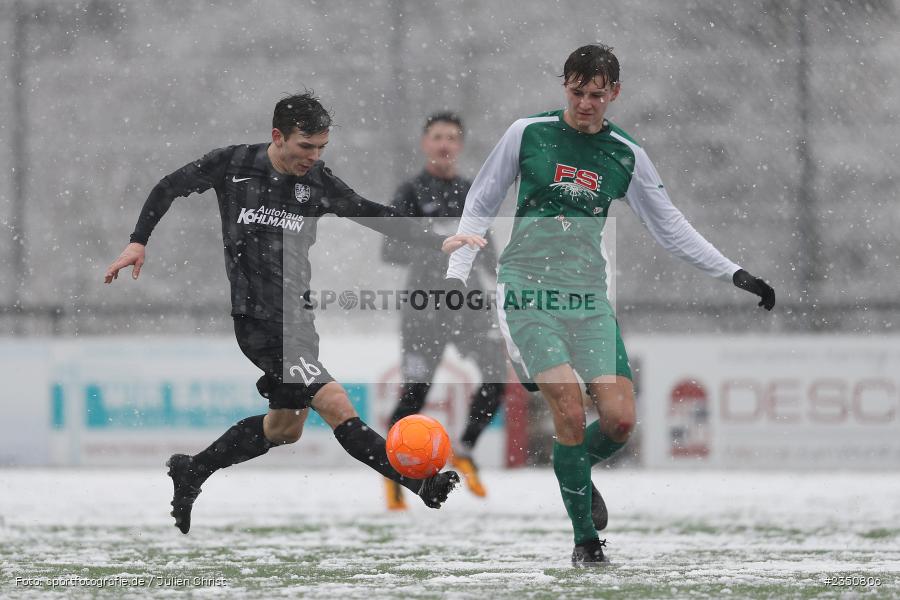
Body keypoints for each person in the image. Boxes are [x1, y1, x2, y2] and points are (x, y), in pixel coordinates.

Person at [443, 45, 775, 566]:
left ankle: (575, 471)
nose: (585, 104)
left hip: (587, 298)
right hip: (527, 292)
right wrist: (458, 273)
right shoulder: (527, 132)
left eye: (597, 94)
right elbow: (481, 200)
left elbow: (671, 227)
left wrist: (734, 272)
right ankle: (586, 543)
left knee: (619, 421)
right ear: (565, 88)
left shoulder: (627, 154)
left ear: (614, 94)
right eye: (577, 92)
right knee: (570, 412)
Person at [104, 92, 486, 534]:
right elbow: (168, 186)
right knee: (335, 401)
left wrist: (436, 240)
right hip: (259, 322)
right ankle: (417, 483)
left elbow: (370, 213)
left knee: (284, 428)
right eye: (306, 147)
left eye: (322, 147)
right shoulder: (233, 164)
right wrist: (138, 240)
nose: (314, 157)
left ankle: (193, 469)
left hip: (299, 321)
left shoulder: (317, 182)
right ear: (277, 137)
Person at [381, 112, 507, 509]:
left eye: (452, 137)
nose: (444, 145)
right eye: (437, 137)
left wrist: (506, 282)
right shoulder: (410, 192)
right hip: (424, 307)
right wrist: (437, 242)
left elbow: (489, 253)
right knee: (415, 395)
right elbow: (389, 249)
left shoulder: (474, 192)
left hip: (469, 305)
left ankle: (465, 449)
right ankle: (394, 473)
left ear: (460, 145)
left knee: (495, 379)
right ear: (425, 143)